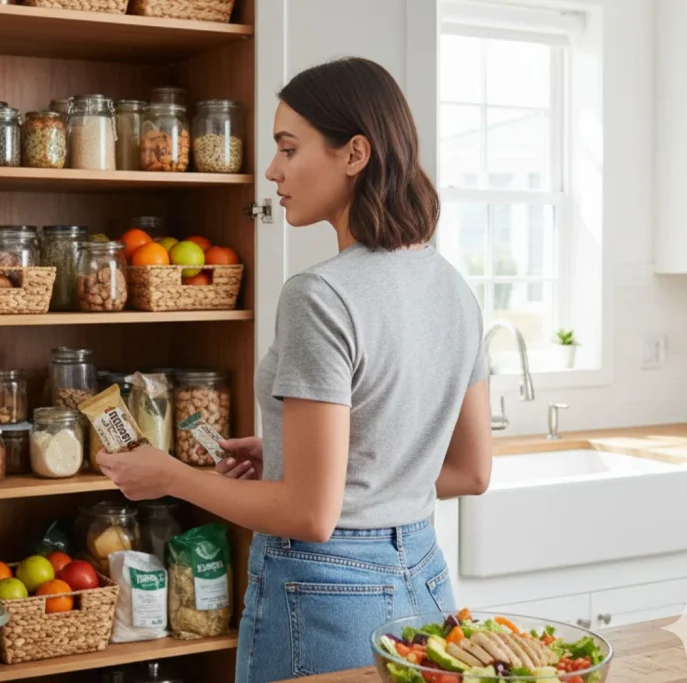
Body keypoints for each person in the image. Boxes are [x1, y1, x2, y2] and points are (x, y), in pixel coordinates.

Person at [97, 57, 493, 683]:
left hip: (328, 593)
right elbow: (470, 472)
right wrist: (286, 454)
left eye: (288, 147)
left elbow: (312, 515)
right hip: (425, 581)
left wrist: (170, 476)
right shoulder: (452, 288)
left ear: (354, 153)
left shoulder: (320, 295)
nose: (272, 170)